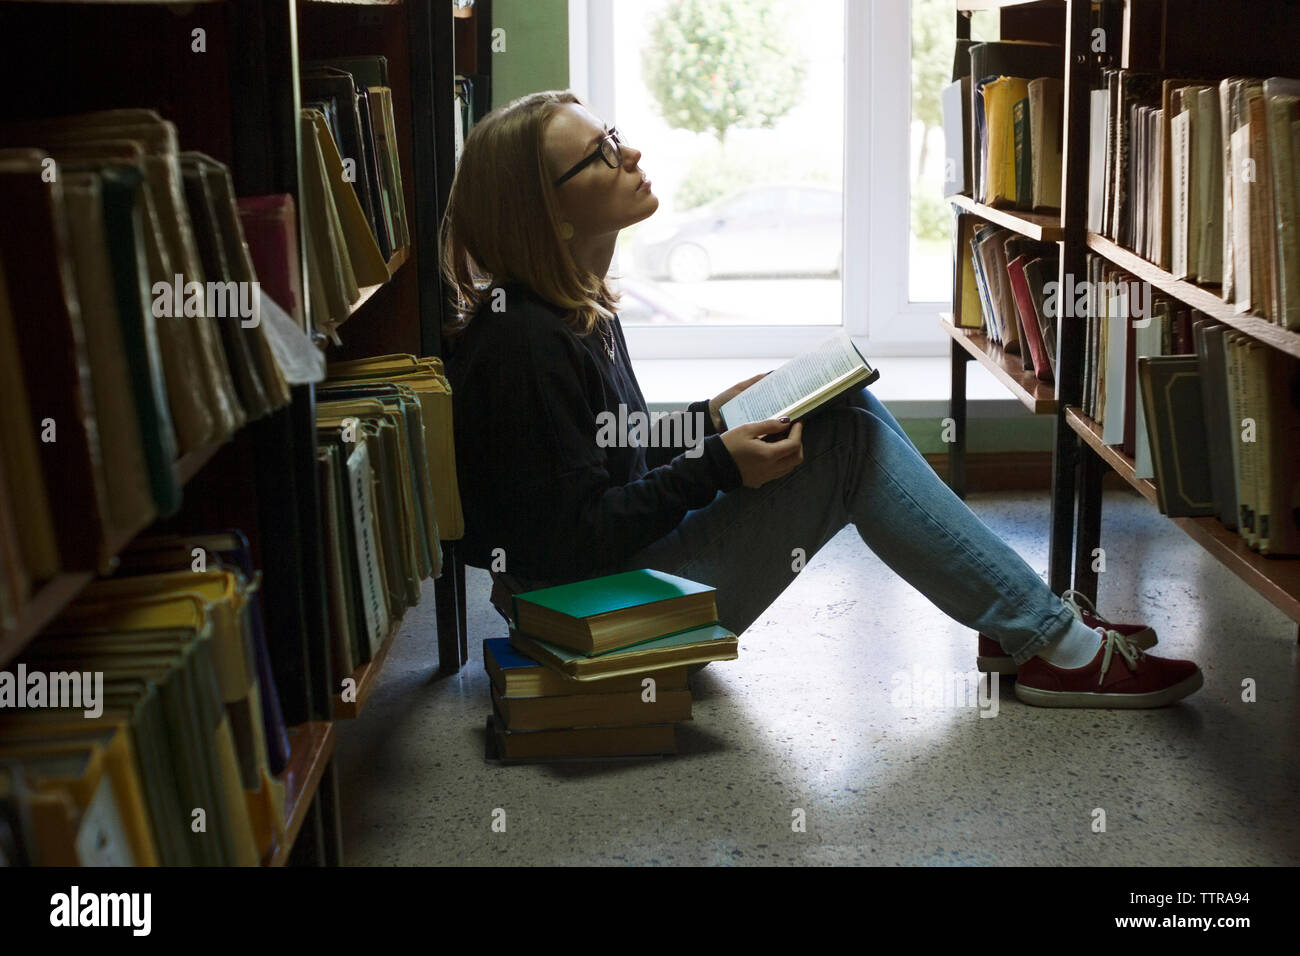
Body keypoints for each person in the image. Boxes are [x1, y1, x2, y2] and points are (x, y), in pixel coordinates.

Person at [440, 90, 1202, 709]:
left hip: (608, 583)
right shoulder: (527, 346)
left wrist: (710, 421)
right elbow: (571, 540)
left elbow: (605, 447)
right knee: (849, 443)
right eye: (600, 154)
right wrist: (718, 465)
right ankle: (1056, 648)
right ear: (550, 213)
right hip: (586, 620)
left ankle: (1022, 625)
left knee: (845, 413)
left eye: (612, 133)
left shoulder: (572, 308)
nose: (629, 151)